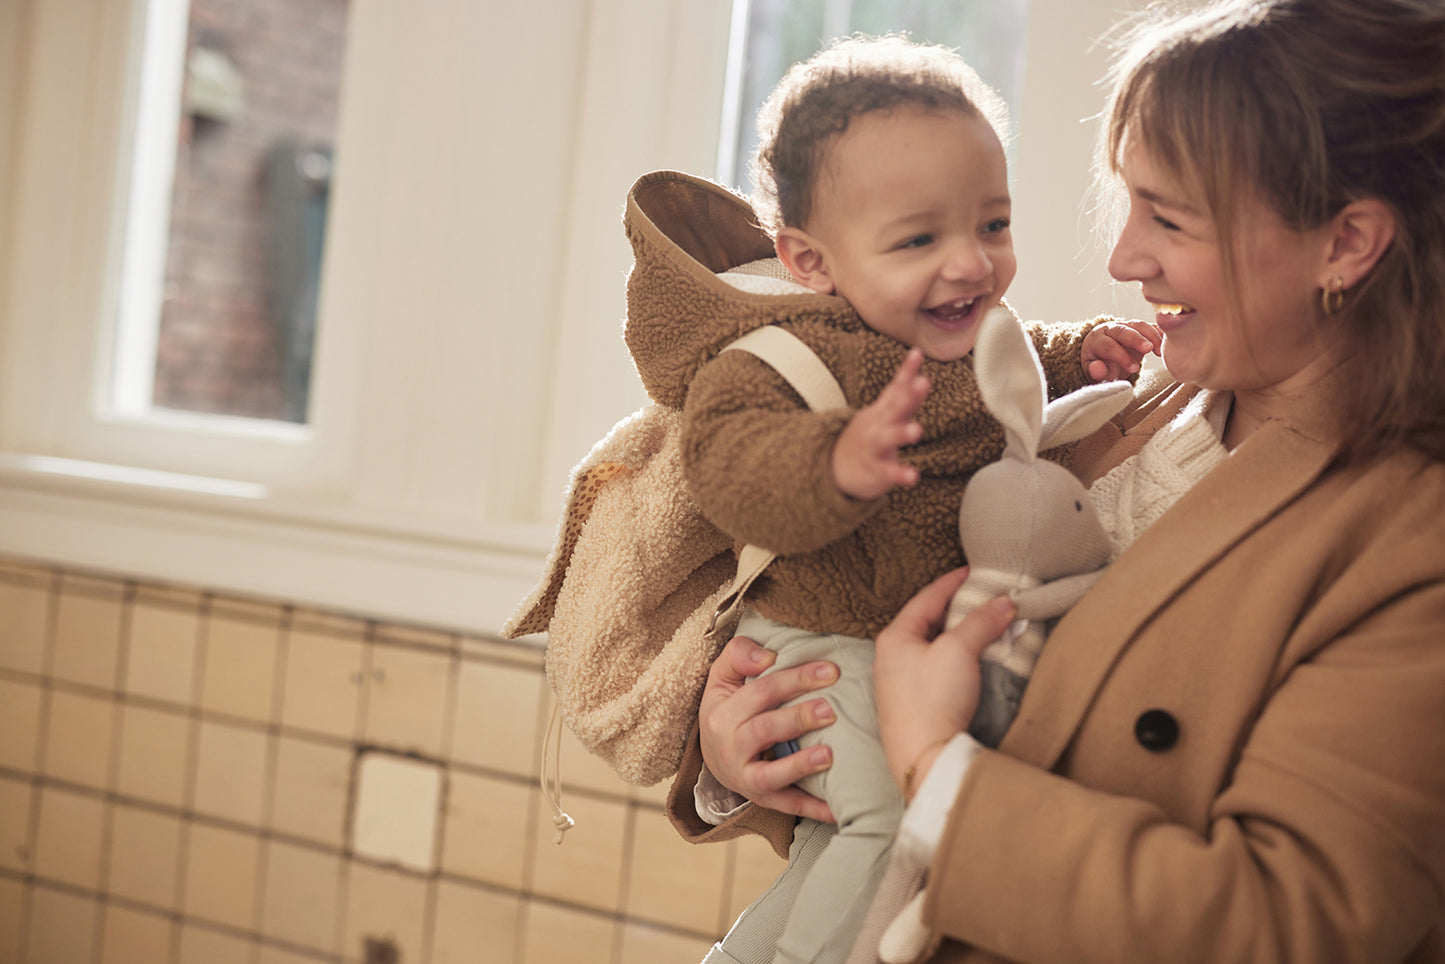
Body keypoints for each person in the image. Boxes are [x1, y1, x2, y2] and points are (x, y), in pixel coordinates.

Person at [668, 1, 1445, 961]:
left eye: (1168, 216)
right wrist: (758, 737)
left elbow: (1285, 924)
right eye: (1129, 204)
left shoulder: (1409, 539)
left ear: (1346, 243)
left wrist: (931, 765)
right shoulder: (1119, 398)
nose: (1124, 258)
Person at [622, 35, 1158, 964]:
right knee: (887, 826)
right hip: (832, 640)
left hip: (893, 651)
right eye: (919, 239)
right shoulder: (786, 357)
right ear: (809, 260)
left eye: (991, 225)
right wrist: (835, 463)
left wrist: (1082, 352)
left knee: (845, 840)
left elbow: (1016, 355)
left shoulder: (953, 334)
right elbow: (730, 465)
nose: (970, 265)